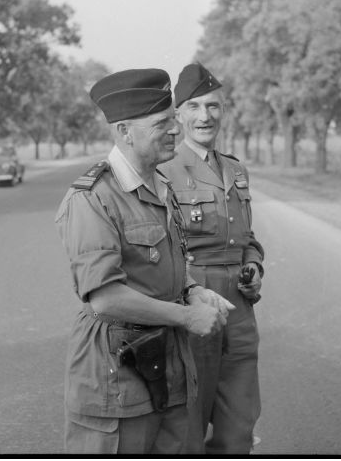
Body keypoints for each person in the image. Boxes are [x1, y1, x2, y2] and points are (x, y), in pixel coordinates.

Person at [55, 68, 234, 454]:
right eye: (162, 123)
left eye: (173, 119)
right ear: (124, 132)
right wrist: (187, 317)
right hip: (116, 373)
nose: (176, 130)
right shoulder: (92, 198)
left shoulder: (159, 184)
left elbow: (167, 261)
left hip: (167, 363)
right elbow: (104, 298)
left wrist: (193, 290)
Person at [160, 63, 264, 454]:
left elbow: (246, 237)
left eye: (214, 106)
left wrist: (254, 265)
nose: (205, 116)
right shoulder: (163, 170)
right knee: (188, 420)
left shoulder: (236, 169)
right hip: (195, 300)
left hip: (239, 307)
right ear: (179, 114)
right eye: (195, 107)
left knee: (239, 420)